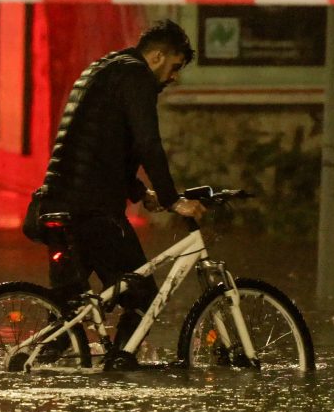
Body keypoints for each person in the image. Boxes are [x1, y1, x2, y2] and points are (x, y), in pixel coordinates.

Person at [30, 19, 206, 363]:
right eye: (174, 67)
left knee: (71, 311)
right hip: (92, 210)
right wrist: (173, 200)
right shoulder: (137, 76)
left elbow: (105, 144)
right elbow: (146, 143)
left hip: (56, 202)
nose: (173, 77)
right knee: (143, 296)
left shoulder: (104, 69)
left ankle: (37, 369)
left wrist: (140, 192)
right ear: (156, 56)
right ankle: (120, 368)